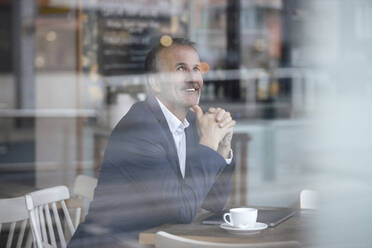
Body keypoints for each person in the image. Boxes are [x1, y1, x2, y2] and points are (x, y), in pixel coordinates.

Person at [68, 37, 236, 248]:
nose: (193, 78)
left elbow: (214, 204)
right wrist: (209, 142)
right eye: (181, 69)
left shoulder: (193, 122)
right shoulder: (139, 128)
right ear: (156, 82)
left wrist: (222, 148)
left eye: (196, 68)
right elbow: (183, 211)